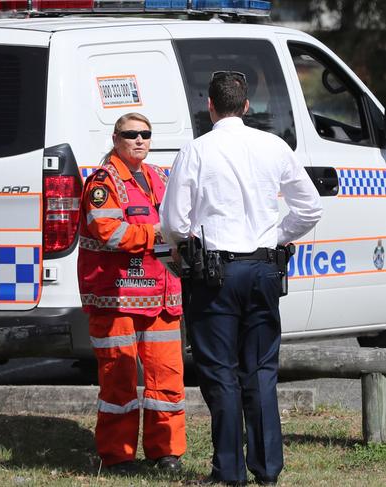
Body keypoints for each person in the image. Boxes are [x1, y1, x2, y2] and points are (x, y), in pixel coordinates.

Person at [159, 72, 322, 486]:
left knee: (220, 374)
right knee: (261, 371)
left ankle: (228, 472)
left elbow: (174, 221)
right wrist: (276, 236)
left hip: (216, 274)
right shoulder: (273, 145)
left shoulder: (196, 150)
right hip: (265, 269)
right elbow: (310, 209)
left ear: (209, 106)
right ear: (247, 106)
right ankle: (267, 470)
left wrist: (184, 243)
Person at [77, 112, 186, 475]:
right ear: (115, 137)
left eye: (145, 134)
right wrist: (156, 234)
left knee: (166, 378)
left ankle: (166, 453)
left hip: (162, 294)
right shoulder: (102, 182)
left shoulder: (159, 176)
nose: (139, 140)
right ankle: (118, 455)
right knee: (118, 381)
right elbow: (108, 230)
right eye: (131, 134)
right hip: (116, 296)